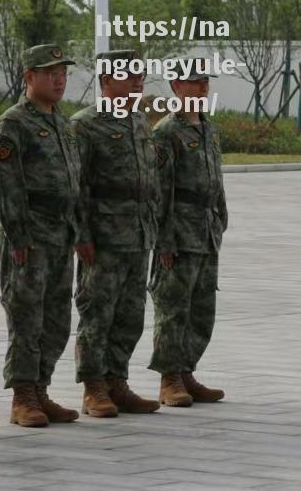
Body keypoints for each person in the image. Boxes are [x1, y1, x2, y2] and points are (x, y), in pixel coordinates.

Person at [0, 43, 84, 428]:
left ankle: (42, 387)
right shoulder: (14, 124)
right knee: (26, 316)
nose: (58, 79)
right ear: (29, 78)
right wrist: (19, 238)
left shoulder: (63, 123)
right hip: (30, 234)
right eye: (49, 73)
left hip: (61, 234)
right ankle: (23, 394)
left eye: (62, 73)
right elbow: (6, 185)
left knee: (57, 317)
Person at [71, 49, 163, 418]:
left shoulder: (139, 121)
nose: (138, 81)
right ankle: (94, 386)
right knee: (98, 312)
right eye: (128, 75)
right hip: (104, 235)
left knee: (130, 313)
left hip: (138, 232)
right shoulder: (85, 125)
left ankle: (116, 380)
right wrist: (82, 234)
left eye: (140, 75)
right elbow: (77, 185)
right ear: (106, 81)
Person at [150, 60, 229, 408]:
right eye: (193, 83)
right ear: (176, 87)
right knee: (173, 307)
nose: (201, 89)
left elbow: (216, 178)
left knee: (201, 307)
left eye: (204, 82)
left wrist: (222, 216)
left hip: (207, 230)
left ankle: (186, 370)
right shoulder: (167, 132)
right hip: (179, 234)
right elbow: (160, 191)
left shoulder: (207, 129)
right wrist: (164, 238)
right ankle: (169, 378)